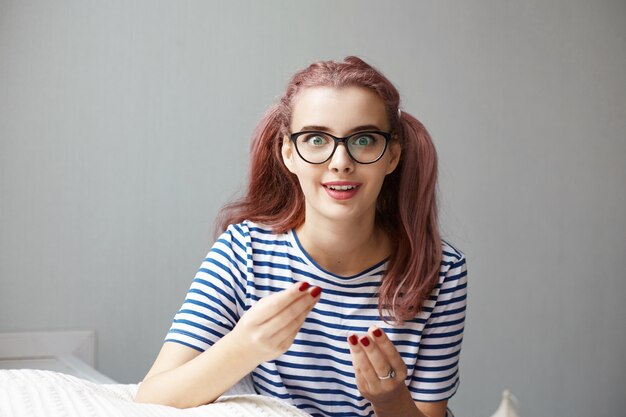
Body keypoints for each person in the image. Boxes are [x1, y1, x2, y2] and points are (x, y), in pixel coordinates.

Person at [135, 56, 468, 417]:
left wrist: (389, 400)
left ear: (392, 156)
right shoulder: (243, 252)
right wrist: (245, 347)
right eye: (315, 139)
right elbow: (153, 395)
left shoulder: (441, 270)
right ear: (288, 153)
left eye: (364, 139)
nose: (341, 160)